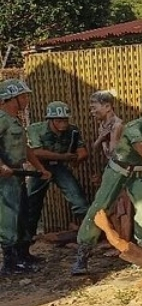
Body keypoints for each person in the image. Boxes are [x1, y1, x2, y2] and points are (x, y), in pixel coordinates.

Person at [73, 91, 142, 276]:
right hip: (118, 170)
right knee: (100, 208)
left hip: (140, 174)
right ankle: (83, 252)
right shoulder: (133, 127)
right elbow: (141, 146)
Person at [22, 101, 90, 260]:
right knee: (32, 203)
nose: (63, 124)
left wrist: (77, 159)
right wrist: (63, 157)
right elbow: (36, 152)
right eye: (59, 120)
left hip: (60, 167)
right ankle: (26, 241)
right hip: (40, 167)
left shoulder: (72, 131)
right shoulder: (35, 129)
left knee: (78, 199)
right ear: (50, 120)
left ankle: (90, 233)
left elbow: (82, 151)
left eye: (65, 120)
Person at [0, 79, 50, 275]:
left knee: (22, 213)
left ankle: (23, 254)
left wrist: (39, 168)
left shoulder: (15, 120)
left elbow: (26, 148)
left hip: (18, 173)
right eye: (23, 96)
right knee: (9, 217)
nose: (26, 99)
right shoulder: (2, 119)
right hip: (5, 177)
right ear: (10, 99)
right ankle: (10, 262)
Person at [89, 90, 133, 246]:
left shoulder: (117, 125)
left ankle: (124, 244)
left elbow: (114, 152)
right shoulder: (103, 126)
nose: (92, 112)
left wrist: (103, 138)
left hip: (122, 170)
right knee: (112, 206)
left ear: (107, 106)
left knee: (123, 208)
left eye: (95, 107)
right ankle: (116, 240)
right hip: (111, 169)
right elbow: (97, 148)